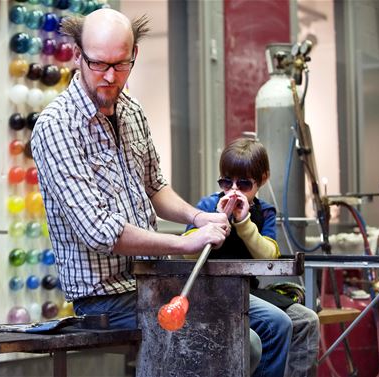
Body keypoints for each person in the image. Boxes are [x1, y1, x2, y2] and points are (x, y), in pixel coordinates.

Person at [30, 8, 263, 373]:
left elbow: (156, 187)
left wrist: (196, 216)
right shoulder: (56, 127)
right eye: (98, 64)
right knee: (240, 341)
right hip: (104, 298)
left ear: (134, 54)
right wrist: (183, 243)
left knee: (279, 325)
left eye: (121, 65)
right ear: (77, 56)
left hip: (151, 280)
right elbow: (99, 231)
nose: (110, 76)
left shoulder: (131, 110)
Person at [186, 137, 320, 377]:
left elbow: (269, 255)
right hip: (212, 291)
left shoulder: (264, 211)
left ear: (263, 179)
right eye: (227, 182)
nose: (234, 190)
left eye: (244, 184)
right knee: (277, 323)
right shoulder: (207, 206)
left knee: (306, 321)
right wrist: (214, 224)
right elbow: (187, 252)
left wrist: (244, 223)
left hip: (248, 290)